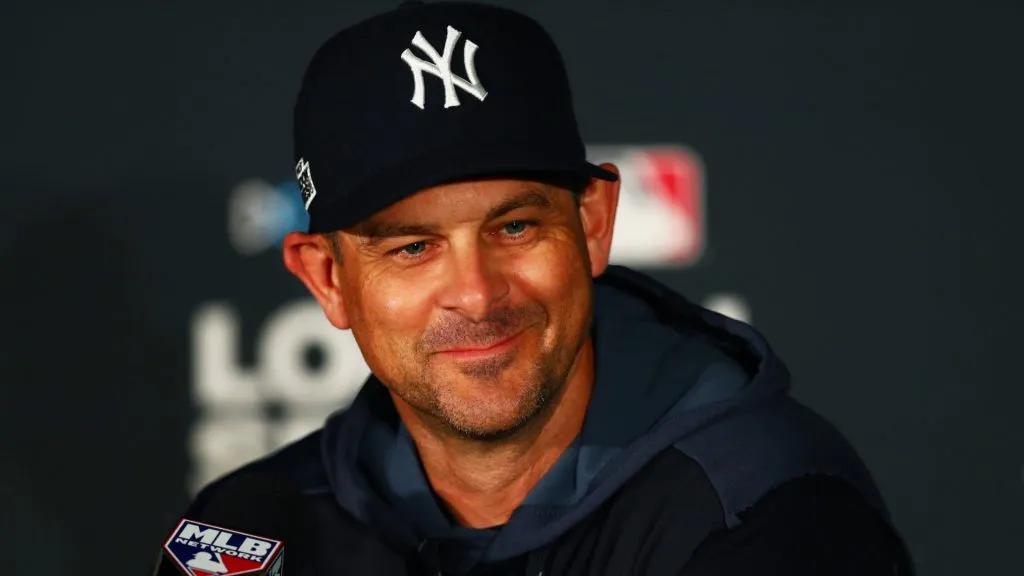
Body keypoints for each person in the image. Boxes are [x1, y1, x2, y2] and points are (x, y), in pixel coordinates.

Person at [179, 1, 915, 574]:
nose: (476, 293)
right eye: (413, 247)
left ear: (593, 224)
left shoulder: (763, 514)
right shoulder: (251, 532)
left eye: (516, 229)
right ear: (328, 278)